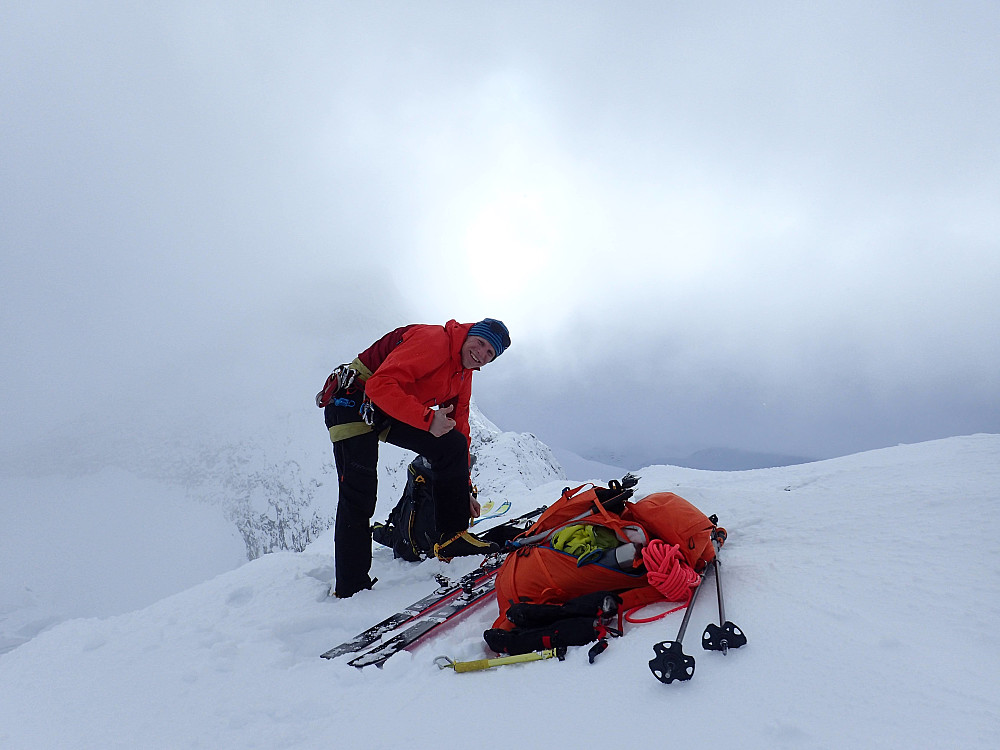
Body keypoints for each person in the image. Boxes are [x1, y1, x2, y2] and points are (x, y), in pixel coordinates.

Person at [320, 318, 511, 598]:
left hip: (386, 409)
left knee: (453, 444)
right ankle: (351, 587)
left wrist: (462, 490)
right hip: (353, 401)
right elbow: (379, 385)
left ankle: (451, 538)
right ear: (469, 334)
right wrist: (427, 419)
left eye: (489, 354)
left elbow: (460, 427)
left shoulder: (462, 374)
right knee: (358, 495)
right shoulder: (435, 342)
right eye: (480, 343)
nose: (481, 354)